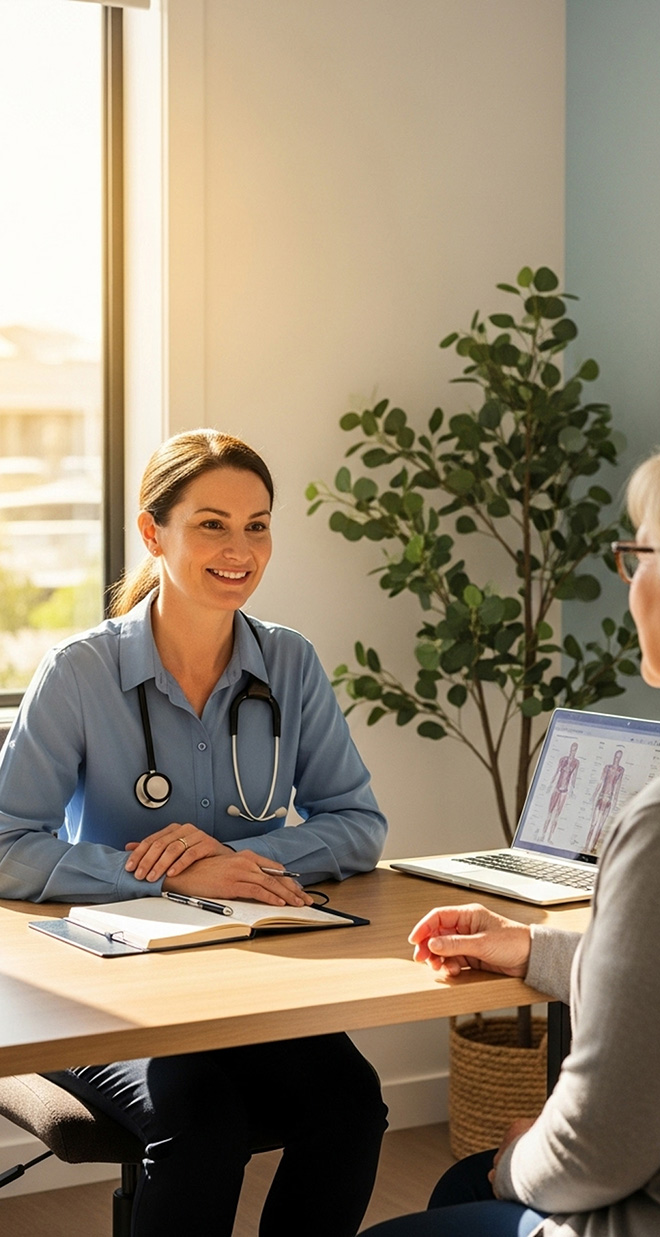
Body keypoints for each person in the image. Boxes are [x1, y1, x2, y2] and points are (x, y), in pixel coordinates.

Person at [0, 428, 388, 1237]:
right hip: (104, 992)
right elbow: (7, 843)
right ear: (154, 532)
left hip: (246, 983)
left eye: (258, 524)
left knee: (350, 1104)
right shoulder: (81, 672)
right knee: (203, 1124)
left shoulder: (290, 664)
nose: (240, 548)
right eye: (212, 523)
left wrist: (240, 859)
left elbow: (357, 823)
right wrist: (163, 876)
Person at [362, 433, 660, 1237]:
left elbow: (601, 1145)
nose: (631, 588)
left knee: (463, 1188)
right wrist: (533, 949)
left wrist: (510, 1162)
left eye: (639, 559)